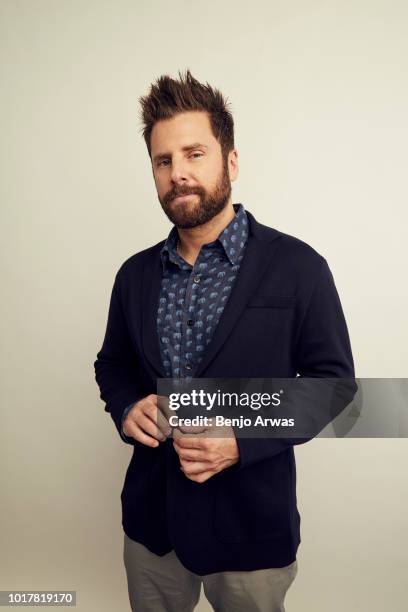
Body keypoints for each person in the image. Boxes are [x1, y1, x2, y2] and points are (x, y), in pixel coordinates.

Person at [93, 69, 355, 612]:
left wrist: (242, 438)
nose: (178, 174)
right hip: (152, 527)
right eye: (163, 161)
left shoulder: (300, 268)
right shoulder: (134, 275)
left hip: (251, 529)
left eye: (194, 154)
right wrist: (125, 406)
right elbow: (112, 363)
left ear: (230, 162)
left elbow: (335, 388)